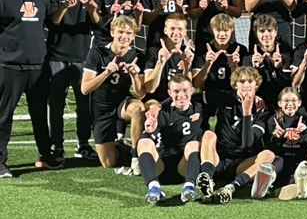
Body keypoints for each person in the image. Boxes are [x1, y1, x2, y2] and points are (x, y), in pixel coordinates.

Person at [0, 0, 59, 177]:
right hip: (9, 67)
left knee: (39, 114)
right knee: (3, 116)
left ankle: (45, 154)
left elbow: (51, 23)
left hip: (38, 66)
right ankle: (0, 162)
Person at [195, 67, 280, 204]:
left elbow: (247, 143)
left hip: (240, 164)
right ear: (235, 85)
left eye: (250, 81)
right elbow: (192, 97)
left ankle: (231, 188)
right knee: (209, 134)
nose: (246, 85)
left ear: (256, 85)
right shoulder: (224, 97)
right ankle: (207, 179)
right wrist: (160, 106)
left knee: (269, 155)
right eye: (241, 81)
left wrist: (247, 114)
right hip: (218, 159)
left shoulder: (262, 111)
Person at [45, 0, 100, 163]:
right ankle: (57, 146)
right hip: (57, 56)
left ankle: (83, 144)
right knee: (56, 103)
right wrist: (64, 7)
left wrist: (91, 9)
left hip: (82, 56)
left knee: (84, 103)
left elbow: (98, 24)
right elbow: (52, 22)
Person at [80, 15, 146, 173]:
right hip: (101, 109)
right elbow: (85, 89)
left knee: (138, 108)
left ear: (133, 36)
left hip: (122, 103)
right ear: (112, 33)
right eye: (121, 32)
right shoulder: (97, 53)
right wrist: (105, 73)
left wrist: (134, 76)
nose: (124, 36)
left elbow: (141, 93)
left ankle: (136, 156)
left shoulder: (137, 56)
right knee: (108, 163)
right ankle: (120, 147)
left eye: (129, 33)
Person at [138, 75, 204, 204]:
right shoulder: (162, 113)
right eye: (176, 91)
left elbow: (221, 97)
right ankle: (154, 187)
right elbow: (150, 137)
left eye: (185, 90)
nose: (181, 95)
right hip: (161, 166)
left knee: (194, 144)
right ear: (169, 93)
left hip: (184, 167)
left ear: (192, 90)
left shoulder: (200, 107)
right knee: (143, 141)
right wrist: (149, 131)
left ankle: (189, 186)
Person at [265, 88, 307, 201]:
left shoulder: (306, 119)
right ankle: (268, 182)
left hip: (299, 160)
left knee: (299, 171)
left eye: (293, 100)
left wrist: (305, 133)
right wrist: (278, 138)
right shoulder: (273, 121)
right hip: (282, 160)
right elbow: (268, 147)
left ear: (299, 103)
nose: (290, 104)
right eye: (286, 101)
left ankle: (294, 187)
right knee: (278, 163)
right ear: (279, 103)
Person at [192, 13, 248, 111]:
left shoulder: (240, 50)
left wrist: (234, 66)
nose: (222, 34)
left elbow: (242, 86)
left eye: (226, 30)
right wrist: (208, 64)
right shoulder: (203, 50)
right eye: (218, 30)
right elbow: (196, 84)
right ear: (212, 30)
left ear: (232, 30)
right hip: (209, 94)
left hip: (232, 94)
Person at [242, 14, 292, 111]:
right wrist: (257, 68)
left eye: (269, 30)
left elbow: (288, 85)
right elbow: (248, 88)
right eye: (261, 31)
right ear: (256, 34)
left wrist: (279, 68)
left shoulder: (286, 55)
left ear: (275, 32)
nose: (266, 35)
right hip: (259, 104)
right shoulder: (248, 58)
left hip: (281, 103)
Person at [143, 13, 194, 103]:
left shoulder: (188, 53)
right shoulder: (154, 51)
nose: (176, 33)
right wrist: (160, 63)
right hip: (155, 100)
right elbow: (150, 89)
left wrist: (187, 65)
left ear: (185, 32)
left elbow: (188, 89)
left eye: (180, 29)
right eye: (172, 28)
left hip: (178, 101)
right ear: (165, 30)